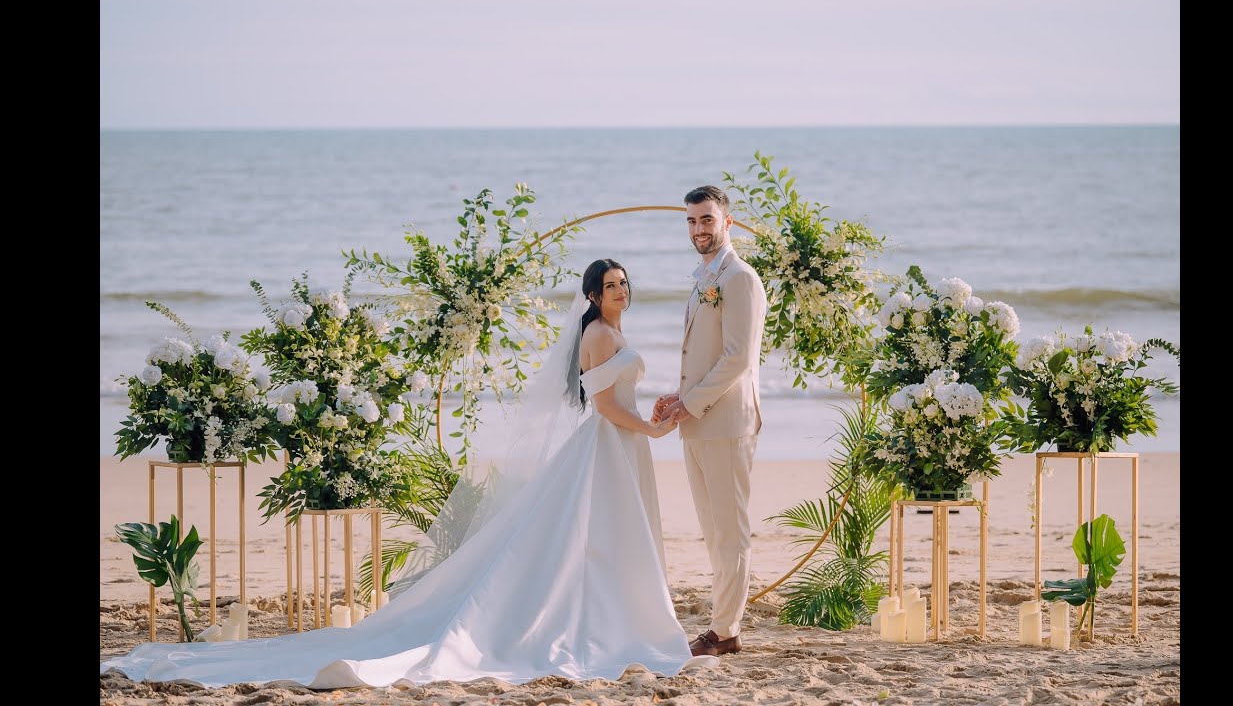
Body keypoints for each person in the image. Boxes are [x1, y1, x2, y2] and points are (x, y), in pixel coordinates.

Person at [99, 258, 714, 688]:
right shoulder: (600, 334)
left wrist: (652, 413)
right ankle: (606, 621)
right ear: (593, 295)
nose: (621, 291)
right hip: (609, 444)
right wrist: (652, 428)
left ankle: (614, 616)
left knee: (603, 541)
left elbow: (614, 398)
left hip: (619, 445)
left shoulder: (611, 332)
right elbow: (604, 407)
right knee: (593, 539)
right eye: (611, 286)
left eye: (624, 284)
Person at [653, 185, 767, 658]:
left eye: (707, 219)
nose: (698, 229)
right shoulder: (705, 277)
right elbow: (706, 353)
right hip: (699, 420)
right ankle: (723, 625)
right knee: (713, 530)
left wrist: (691, 403)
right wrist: (681, 398)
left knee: (729, 531)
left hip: (726, 424)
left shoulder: (740, 279)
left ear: (727, 222)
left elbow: (738, 357)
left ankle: (724, 632)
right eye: (692, 221)